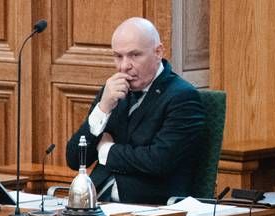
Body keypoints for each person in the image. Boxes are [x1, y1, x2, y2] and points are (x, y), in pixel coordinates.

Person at [66, 17, 204, 204]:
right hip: (97, 203)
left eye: (134, 55)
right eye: (118, 56)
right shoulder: (112, 92)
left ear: (158, 52)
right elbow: (75, 159)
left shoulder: (182, 97)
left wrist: (107, 150)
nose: (124, 66)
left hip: (148, 208)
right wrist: (103, 108)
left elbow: (158, 161)